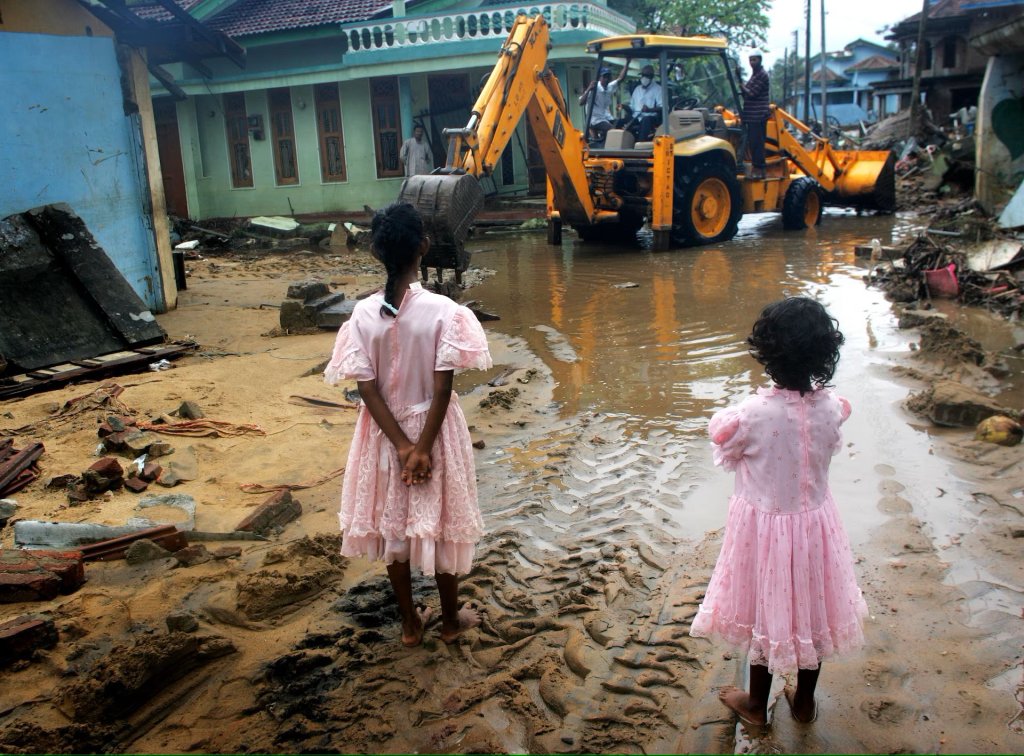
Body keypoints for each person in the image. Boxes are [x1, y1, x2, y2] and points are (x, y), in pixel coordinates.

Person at [689, 297, 867, 726]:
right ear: (826, 354)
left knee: (766, 615)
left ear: (766, 351)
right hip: (817, 529)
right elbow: (839, 411)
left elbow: (721, 438)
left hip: (765, 535)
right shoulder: (833, 408)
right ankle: (803, 704)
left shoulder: (749, 414)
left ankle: (756, 705)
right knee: (813, 611)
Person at [324, 202, 492, 647]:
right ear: (424, 246)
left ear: (378, 252)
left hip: (382, 433)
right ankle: (451, 620)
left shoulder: (362, 314)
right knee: (436, 521)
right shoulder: (443, 311)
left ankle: (409, 624)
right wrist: (420, 448)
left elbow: (367, 389)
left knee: (392, 524)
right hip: (433, 430)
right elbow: (441, 389)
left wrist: (400, 445)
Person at [736, 50, 770, 178]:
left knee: (757, 143)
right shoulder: (754, 75)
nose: (751, 62)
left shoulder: (762, 75)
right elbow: (746, 94)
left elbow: (751, 93)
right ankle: (754, 167)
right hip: (751, 116)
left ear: (760, 60)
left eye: (754, 60)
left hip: (758, 115)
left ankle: (759, 170)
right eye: (750, 60)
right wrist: (740, 80)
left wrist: (740, 83)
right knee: (752, 142)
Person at [579, 64, 627, 142]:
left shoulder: (609, 87)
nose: (606, 79)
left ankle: (605, 141)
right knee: (612, 131)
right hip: (595, 120)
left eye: (608, 77)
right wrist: (589, 89)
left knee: (621, 124)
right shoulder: (595, 89)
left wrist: (627, 63)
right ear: (600, 78)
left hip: (605, 117)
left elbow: (620, 79)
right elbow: (581, 102)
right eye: (604, 77)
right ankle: (611, 147)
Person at [627, 64, 663, 141]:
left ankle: (640, 143)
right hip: (636, 117)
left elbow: (662, 107)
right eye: (643, 75)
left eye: (647, 76)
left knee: (646, 120)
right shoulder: (637, 89)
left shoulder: (658, 89)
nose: (644, 78)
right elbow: (631, 107)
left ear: (652, 76)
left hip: (651, 117)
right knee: (623, 121)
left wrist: (649, 109)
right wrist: (624, 107)